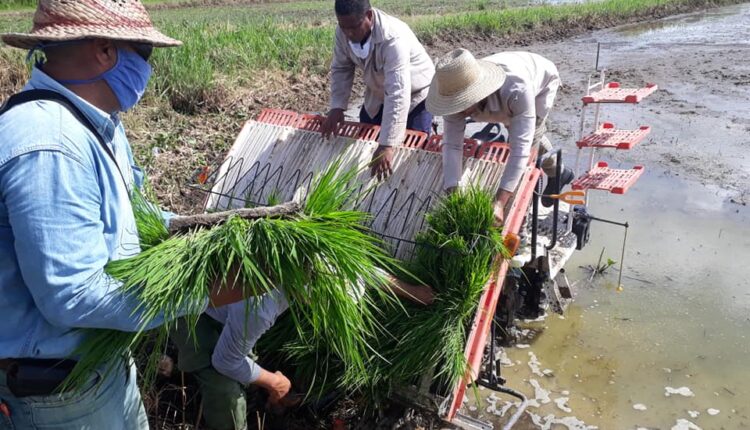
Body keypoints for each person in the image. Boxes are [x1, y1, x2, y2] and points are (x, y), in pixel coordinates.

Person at [0, 1, 248, 429]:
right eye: (145, 54)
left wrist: (195, 229)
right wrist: (209, 292)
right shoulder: (50, 144)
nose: (147, 71)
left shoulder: (97, 123)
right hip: (60, 395)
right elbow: (73, 296)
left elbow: (130, 210)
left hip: (100, 368)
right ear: (104, 50)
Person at [171, 272, 434, 430]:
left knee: (248, 364)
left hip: (227, 304)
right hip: (188, 309)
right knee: (226, 392)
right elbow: (225, 362)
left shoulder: (318, 255)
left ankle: (263, 396)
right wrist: (276, 382)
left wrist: (411, 292)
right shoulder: (262, 305)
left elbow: (366, 270)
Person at [426, 49, 575, 224]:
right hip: (506, 92)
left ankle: (520, 223)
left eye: (464, 102)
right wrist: (453, 191)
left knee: (529, 142)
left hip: (539, 82)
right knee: (517, 130)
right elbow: (452, 145)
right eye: (457, 103)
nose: (461, 110)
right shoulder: (452, 88)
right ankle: (559, 172)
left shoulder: (517, 89)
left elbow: (521, 150)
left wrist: (499, 202)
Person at [321, 0, 435, 180]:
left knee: (411, 150)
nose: (349, 33)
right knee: (367, 139)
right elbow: (341, 68)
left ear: (369, 16)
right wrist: (337, 106)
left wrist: (387, 144)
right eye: (344, 27)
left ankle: (407, 187)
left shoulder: (392, 38)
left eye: (354, 27)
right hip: (378, 90)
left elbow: (398, 92)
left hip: (415, 92)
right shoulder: (343, 31)